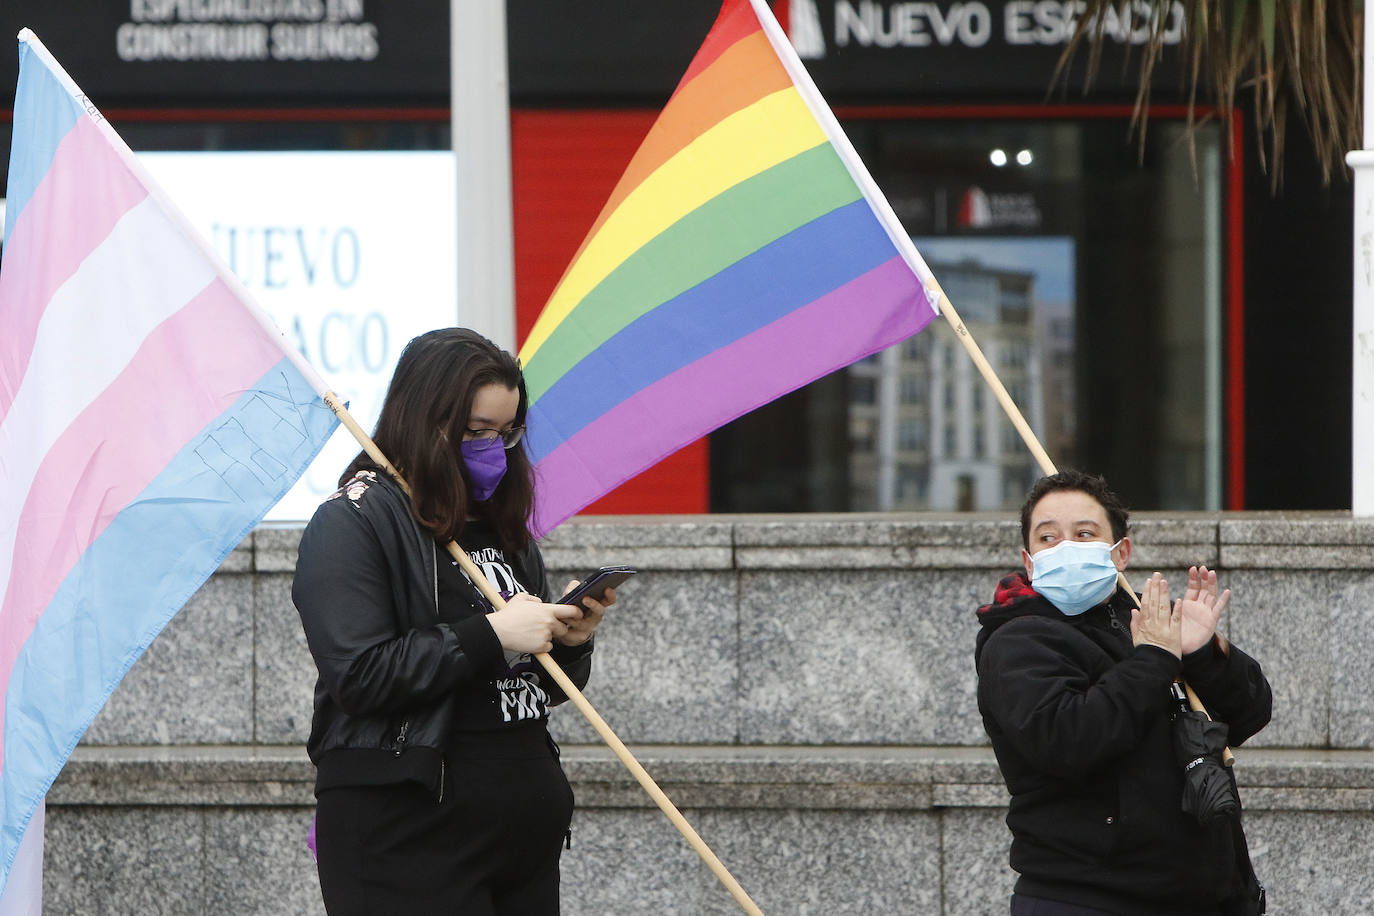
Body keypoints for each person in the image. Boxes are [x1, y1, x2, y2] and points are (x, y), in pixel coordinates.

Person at [292, 328, 615, 915]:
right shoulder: (354, 523)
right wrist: (491, 635)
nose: (494, 449)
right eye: (475, 432)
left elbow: (526, 686)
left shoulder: (499, 524)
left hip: (521, 834)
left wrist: (567, 643)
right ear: (425, 421)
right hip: (411, 834)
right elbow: (360, 675)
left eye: (507, 432)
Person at [975, 469, 1271, 916]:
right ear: (1029, 559)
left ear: (1121, 553)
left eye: (1085, 533)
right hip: (1088, 896)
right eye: (1049, 537)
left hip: (1202, 894)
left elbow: (1248, 714)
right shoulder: (1018, 641)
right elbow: (1069, 740)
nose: (1067, 547)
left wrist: (1201, 653)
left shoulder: (1144, 620)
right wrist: (1154, 659)